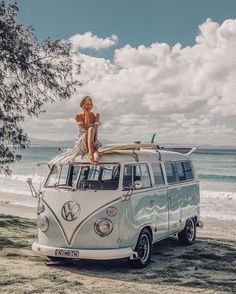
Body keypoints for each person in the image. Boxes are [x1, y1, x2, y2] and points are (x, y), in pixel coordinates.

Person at [74, 96, 101, 164]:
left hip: (92, 139)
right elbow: (86, 129)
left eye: (91, 104)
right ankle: (90, 154)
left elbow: (95, 130)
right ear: (82, 105)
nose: (89, 106)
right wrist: (86, 114)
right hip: (82, 141)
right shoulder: (78, 116)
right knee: (90, 129)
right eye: (87, 104)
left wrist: (95, 141)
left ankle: (95, 159)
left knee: (97, 152)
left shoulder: (95, 116)